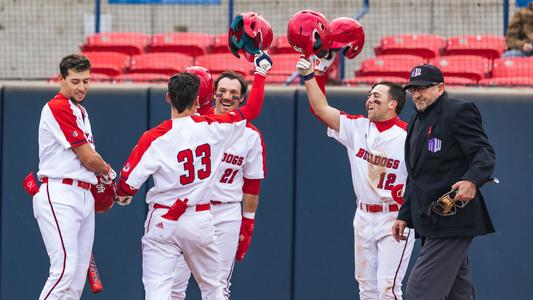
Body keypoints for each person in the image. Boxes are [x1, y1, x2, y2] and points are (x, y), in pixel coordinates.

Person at [115, 52, 271, 300]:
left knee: (159, 291)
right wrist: (261, 73)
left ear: (168, 97)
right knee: (214, 289)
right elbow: (252, 109)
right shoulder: (213, 128)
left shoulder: (154, 137)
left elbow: (126, 188)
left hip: (164, 218)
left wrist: (119, 196)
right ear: (199, 101)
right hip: (200, 218)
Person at [296, 53, 415, 299]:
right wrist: (313, 75)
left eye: (376, 97)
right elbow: (319, 109)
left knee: (388, 288)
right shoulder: (357, 127)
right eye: (369, 96)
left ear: (393, 104)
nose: (369, 100)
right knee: (366, 288)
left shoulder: (409, 135)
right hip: (363, 216)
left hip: (395, 217)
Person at [392, 64, 496, 300]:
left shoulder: (457, 111)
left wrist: (472, 180)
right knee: (457, 293)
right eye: (413, 89)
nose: (417, 94)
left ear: (440, 87)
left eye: (423, 88)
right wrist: (404, 215)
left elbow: (483, 152)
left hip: (453, 216)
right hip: (429, 219)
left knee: (420, 289)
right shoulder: (415, 122)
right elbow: (415, 177)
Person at [172, 70, 266, 299]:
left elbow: (252, 185)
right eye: (222, 91)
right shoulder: (200, 123)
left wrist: (248, 223)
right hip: (192, 208)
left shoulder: (251, 136)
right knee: (173, 282)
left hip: (227, 212)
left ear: (242, 98)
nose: (227, 96)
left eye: (234, 93)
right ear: (213, 93)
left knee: (218, 284)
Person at [33, 54, 116, 299]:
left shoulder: (81, 111)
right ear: (62, 79)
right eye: (76, 81)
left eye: (86, 81)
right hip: (60, 193)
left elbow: (90, 159)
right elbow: (89, 158)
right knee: (64, 272)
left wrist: (101, 172)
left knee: (76, 280)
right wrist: (108, 172)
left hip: (83, 195)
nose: (82, 87)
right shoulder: (58, 107)